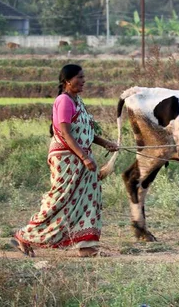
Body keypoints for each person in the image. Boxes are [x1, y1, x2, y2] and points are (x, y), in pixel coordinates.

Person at [11, 64, 118, 257]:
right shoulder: (64, 101)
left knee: (88, 198)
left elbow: (87, 132)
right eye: (79, 77)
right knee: (60, 200)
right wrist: (84, 157)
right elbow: (65, 133)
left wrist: (106, 143)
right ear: (67, 80)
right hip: (67, 158)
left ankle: (86, 245)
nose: (83, 80)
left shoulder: (78, 101)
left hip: (80, 157)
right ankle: (25, 235)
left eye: (84, 77)